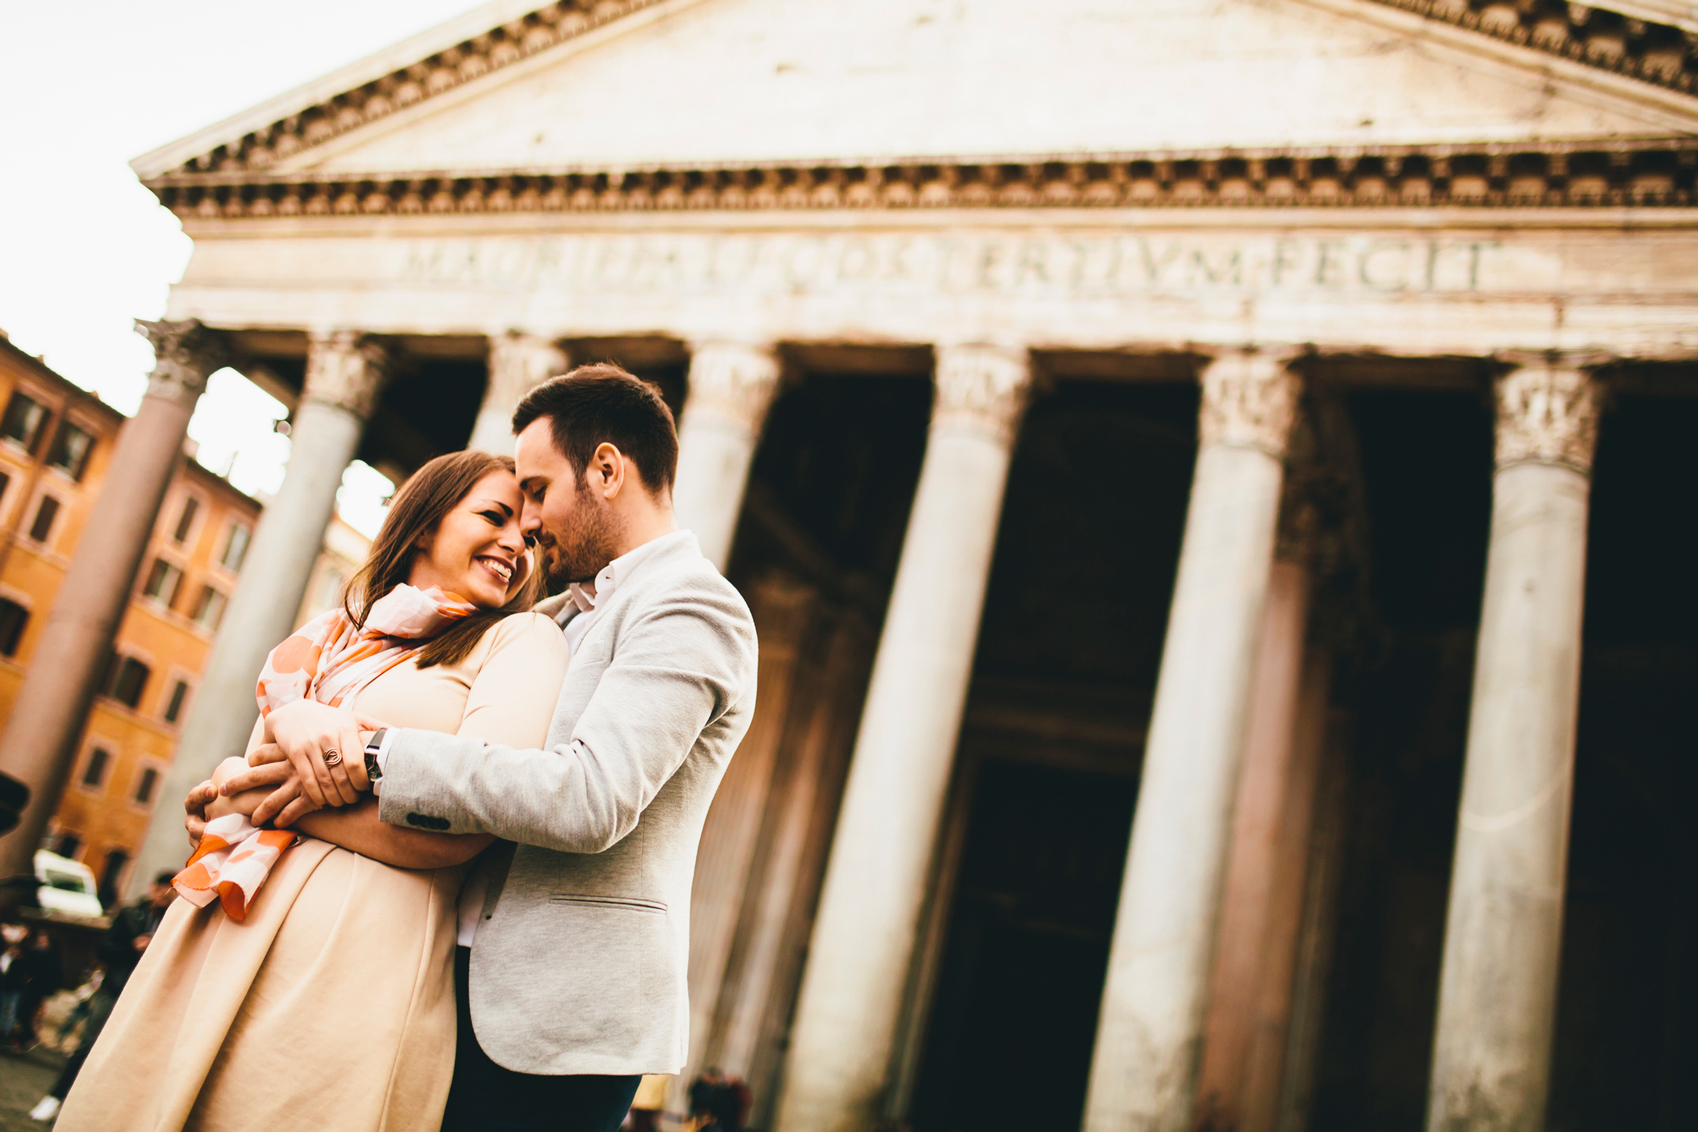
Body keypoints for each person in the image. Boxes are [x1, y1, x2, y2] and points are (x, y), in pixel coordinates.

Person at [224, 365, 760, 1132]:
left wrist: (371, 754)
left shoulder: (693, 606)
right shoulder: (551, 616)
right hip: (446, 985)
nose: (527, 523)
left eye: (537, 491)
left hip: (557, 1025)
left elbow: (590, 800)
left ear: (607, 470)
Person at [57, 450, 564, 1132]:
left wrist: (247, 797)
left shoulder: (521, 638)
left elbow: (471, 825)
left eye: (527, 536)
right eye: (494, 517)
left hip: (356, 955)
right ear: (423, 524)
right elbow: (243, 782)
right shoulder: (326, 640)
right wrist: (250, 777)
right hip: (223, 927)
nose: (515, 545)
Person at [28, 872, 175, 1122]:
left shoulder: (172, 922)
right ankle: (55, 1097)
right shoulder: (130, 914)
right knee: (88, 1045)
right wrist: (132, 947)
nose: (165, 894)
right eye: (162, 888)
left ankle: (88, 1110)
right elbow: (104, 949)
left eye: (171, 890)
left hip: (145, 997)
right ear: (152, 888)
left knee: (124, 1056)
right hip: (114, 990)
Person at [0, 926, 60, 1050]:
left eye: (44, 941)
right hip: (26, 987)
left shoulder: (45, 954)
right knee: (20, 1012)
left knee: (21, 1012)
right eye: (40, 940)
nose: (41, 943)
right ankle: (23, 1037)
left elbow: (41, 972)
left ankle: (22, 1036)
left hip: (33, 988)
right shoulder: (35, 952)